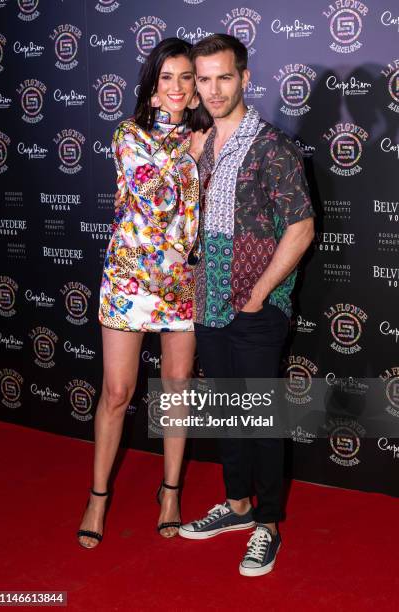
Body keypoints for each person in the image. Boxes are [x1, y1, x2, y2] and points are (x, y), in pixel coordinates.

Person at [178, 34, 315, 577]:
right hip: (208, 305)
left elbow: (301, 229)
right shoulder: (202, 146)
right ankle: (236, 507)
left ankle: (268, 525)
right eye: (203, 79)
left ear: (245, 79)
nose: (212, 89)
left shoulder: (271, 147)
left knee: (259, 419)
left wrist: (258, 295)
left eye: (223, 77)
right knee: (229, 415)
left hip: (256, 308)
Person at [77, 38, 210, 548]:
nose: (175, 88)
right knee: (117, 393)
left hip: (181, 283)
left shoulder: (206, 138)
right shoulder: (128, 134)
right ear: (153, 92)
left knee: (176, 390)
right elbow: (153, 193)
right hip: (129, 278)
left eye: (184, 78)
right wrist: (191, 155)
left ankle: (171, 491)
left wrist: (199, 150)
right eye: (166, 79)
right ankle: (97, 496)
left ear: (194, 90)